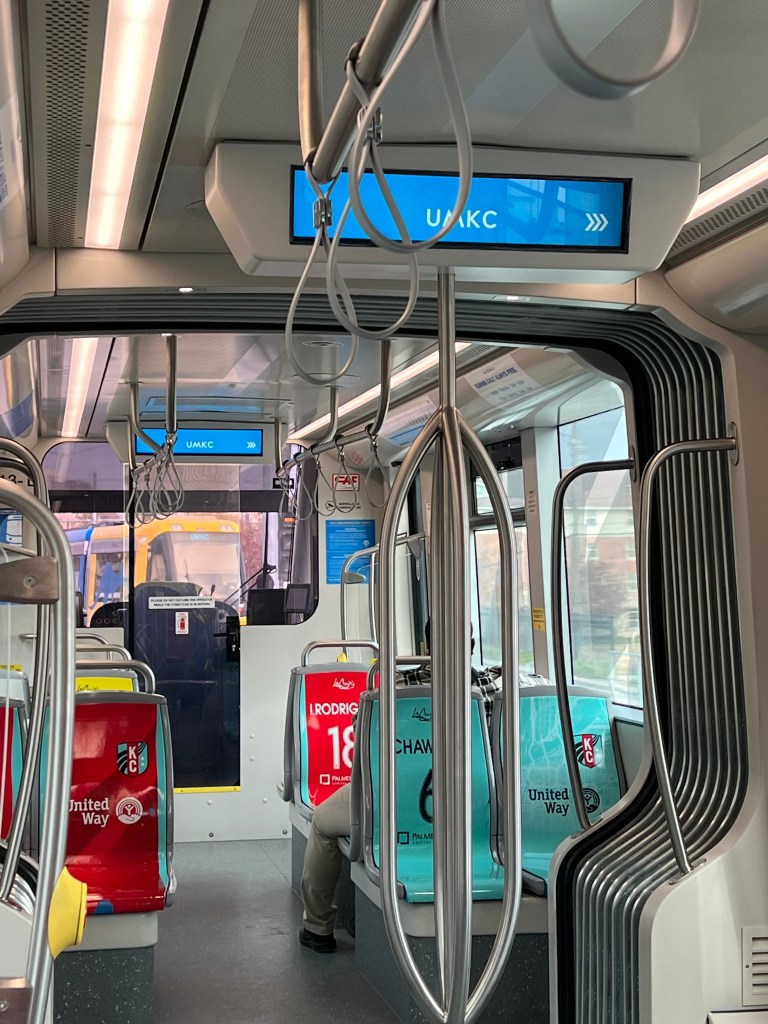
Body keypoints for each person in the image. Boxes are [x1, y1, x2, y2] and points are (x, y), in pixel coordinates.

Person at [298, 619, 500, 953]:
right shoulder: (493, 690)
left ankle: (318, 928)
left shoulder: (394, 688)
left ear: (427, 647)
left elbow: (363, 737)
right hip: (478, 803)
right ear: (472, 646)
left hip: (396, 800)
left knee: (322, 822)